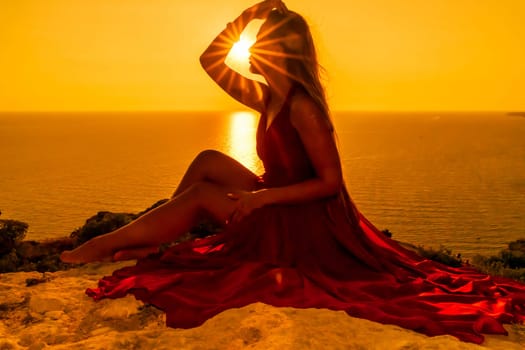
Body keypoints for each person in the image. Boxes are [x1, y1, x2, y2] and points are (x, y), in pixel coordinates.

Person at [60, 0, 525, 344]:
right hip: (276, 194)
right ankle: (155, 239)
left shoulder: (303, 108)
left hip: (307, 218)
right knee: (208, 160)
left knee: (202, 193)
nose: (255, 51)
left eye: (263, 45)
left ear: (284, 53)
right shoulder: (267, 97)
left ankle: (106, 245)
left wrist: (261, 199)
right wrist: (247, 19)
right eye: (256, 45)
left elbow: (330, 184)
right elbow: (209, 61)